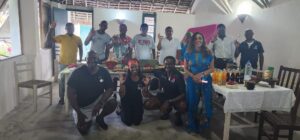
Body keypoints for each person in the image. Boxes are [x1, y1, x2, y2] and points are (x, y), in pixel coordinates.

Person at [67, 50, 117, 135]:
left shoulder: (103, 72)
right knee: (83, 130)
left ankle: (100, 118)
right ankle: (87, 119)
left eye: (94, 58)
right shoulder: (77, 72)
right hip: (83, 107)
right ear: (86, 59)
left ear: (98, 60)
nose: (92, 60)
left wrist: (100, 103)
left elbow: (110, 89)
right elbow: (70, 94)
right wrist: (78, 112)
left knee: (113, 102)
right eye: (89, 58)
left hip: (97, 100)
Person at [45, 21, 83, 105]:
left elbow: (81, 47)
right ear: (66, 29)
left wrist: (80, 58)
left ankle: (72, 97)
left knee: (73, 81)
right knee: (62, 81)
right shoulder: (62, 37)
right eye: (69, 28)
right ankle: (62, 98)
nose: (71, 29)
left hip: (73, 64)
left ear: (74, 28)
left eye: (72, 27)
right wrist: (51, 29)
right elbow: (49, 40)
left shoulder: (78, 38)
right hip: (63, 63)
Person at [184, 32, 214, 133]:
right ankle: (192, 125)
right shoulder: (188, 52)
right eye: (196, 38)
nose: (198, 40)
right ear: (192, 41)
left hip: (205, 78)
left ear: (203, 40)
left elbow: (212, 69)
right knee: (192, 102)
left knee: (207, 101)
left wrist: (201, 75)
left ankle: (205, 124)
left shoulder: (208, 52)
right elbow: (185, 69)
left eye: (200, 38)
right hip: (192, 79)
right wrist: (193, 76)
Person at [143, 56, 186, 126]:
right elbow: (150, 71)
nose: (168, 66)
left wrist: (169, 101)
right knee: (147, 104)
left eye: (170, 64)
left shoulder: (179, 76)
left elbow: (183, 94)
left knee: (183, 106)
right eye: (166, 64)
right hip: (163, 96)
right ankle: (166, 111)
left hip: (175, 98)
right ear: (164, 64)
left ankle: (178, 114)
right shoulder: (160, 72)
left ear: (174, 65)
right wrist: (147, 84)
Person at [119, 59, 145, 126]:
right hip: (126, 101)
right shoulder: (125, 77)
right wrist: (121, 84)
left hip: (137, 102)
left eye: (136, 66)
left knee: (137, 122)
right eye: (132, 67)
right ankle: (120, 111)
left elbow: (145, 94)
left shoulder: (142, 78)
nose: (134, 68)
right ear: (128, 67)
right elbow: (121, 95)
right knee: (128, 122)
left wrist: (146, 85)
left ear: (138, 67)